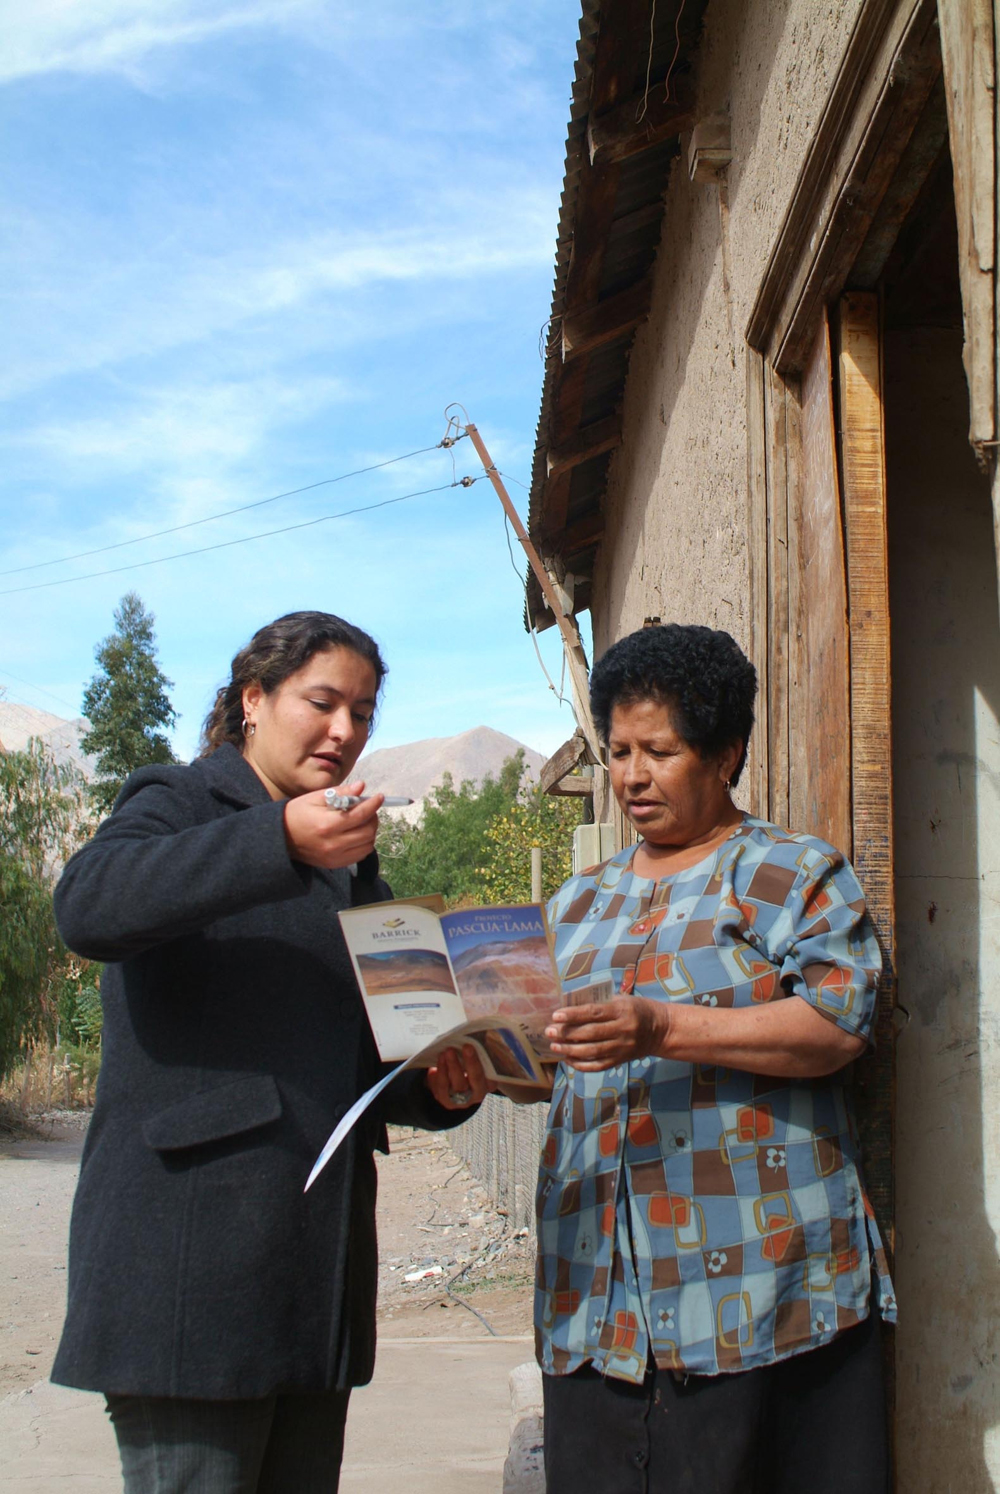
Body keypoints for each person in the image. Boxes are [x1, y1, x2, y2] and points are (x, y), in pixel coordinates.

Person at [50, 610, 488, 1494]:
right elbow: (88, 905)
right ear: (253, 700)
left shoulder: (350, 862)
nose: (345, 731)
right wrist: (278, 838)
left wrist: (439, 1084)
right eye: (322, 704)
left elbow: (365, 1051)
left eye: (362, 713)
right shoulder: (178, 800)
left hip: (308, 1278)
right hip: (191, 1270)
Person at [535, 623, 896, 1494]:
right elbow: (561, 1063)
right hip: (595, 1300)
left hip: (762, 1294)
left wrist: (662, 1029)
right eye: (619, 751)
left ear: (726, 753)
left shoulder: (790, 874)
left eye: (659, 751)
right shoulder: (578, 903)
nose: (632, 776)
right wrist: (488, 1062)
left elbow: (839, 1024)